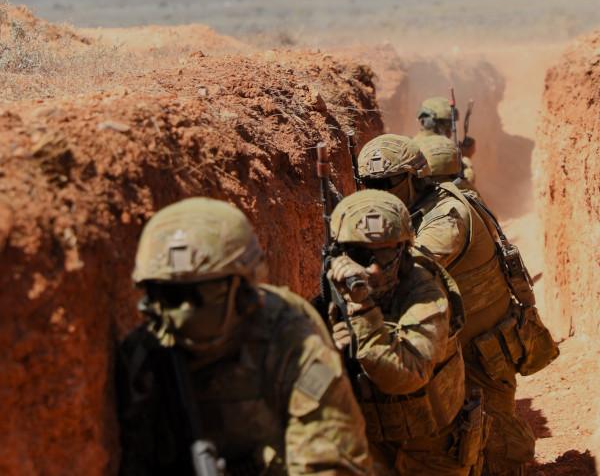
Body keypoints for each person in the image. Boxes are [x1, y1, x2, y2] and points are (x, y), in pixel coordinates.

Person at [116, 197, 373, 476]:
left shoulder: (290, 338)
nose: (175, 312)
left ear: (240, 290)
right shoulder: (145, 354)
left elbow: (332, 461)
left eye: (194, 295)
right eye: (163, 293)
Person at [357, 135, 535, 476]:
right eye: (368, 183)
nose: (376, 191)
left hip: (482, 350)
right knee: (454, 441)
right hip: (449, 348)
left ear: (415, 178)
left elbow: (413, 266)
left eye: (387, 182)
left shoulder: (446, 214)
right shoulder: (403, 211)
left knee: (495, 445)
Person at [326, 188, 484, 475]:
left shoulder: (426, 292)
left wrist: (361, 310)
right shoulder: (335, 284)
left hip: (429, 453)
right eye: (360, 254)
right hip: (372, 442)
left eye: (385, 254)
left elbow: (407, 375)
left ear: (404, 248)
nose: (373, 269)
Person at [414, 96, 476, 189]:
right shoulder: (445, 148)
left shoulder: (411, 143)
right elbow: (464, 183)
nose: (450, 129)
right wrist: (466, 159)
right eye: (446, 123)